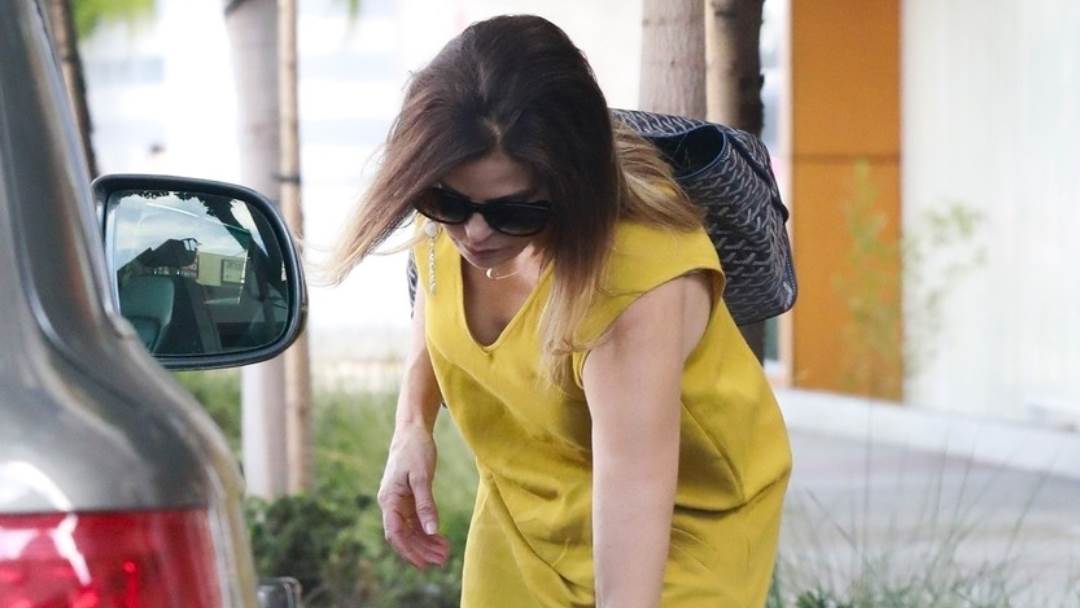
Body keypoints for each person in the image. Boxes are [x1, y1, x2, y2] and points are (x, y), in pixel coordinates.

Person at [325, 14, 792, 607]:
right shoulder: (455, 202)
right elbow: (435, 293)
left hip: (680, 529)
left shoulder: (632, 280)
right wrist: (411, 428)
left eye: (515, 212)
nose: (474, 233)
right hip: (525, 507)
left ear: (573, 184)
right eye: (447, 202)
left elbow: (634, 492)